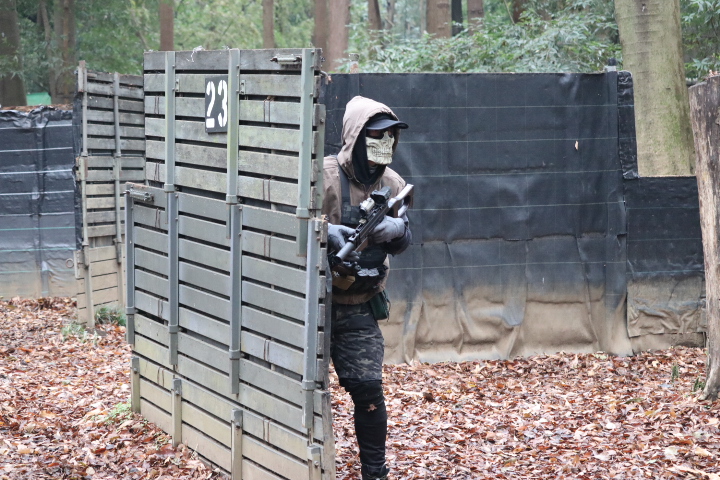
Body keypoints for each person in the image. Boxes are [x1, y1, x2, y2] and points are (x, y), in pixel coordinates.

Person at [322, 96, 412, 480]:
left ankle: (375, 473)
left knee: (369, 390)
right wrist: (326, 232)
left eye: (390, 137)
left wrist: (397, 230)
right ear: (357, 137)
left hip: (359, 302)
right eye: (376, 136)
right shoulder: (323, 177)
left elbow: (405, 238)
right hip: (311, 303)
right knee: (299, 388)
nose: (384, 144)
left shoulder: (393, 184)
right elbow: (285, 221)